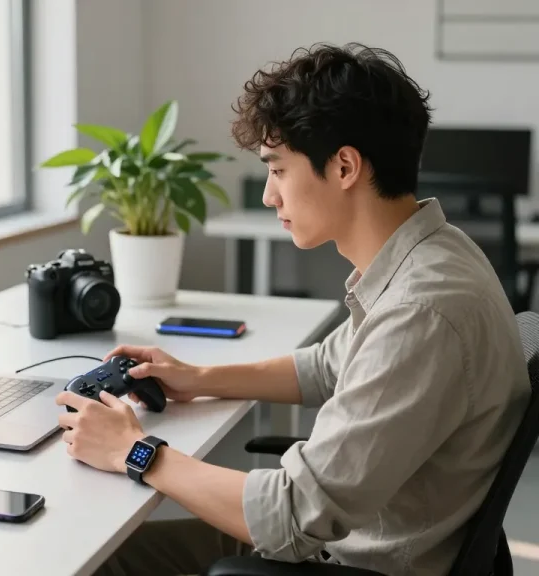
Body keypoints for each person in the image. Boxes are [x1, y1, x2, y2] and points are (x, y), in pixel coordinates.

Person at [54, 43, 531, 576]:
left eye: (277, 170)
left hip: (351, 560)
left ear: (345, 165)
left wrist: (136, 452)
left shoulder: (421, 311)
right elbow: (327, 365)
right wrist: (198, 376)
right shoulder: (436, 253)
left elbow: (290, 515)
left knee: (85, 562)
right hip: (359, 538)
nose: (268, 196)